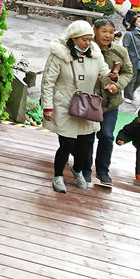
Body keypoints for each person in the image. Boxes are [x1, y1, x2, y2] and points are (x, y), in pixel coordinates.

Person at [41, 20, 111, 193]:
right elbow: (48, 81)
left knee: (85, 144)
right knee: (67, 143)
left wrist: (112, 77)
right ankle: (58, 176)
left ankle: (77, 170)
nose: (88, 43)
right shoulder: (59, 55)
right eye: (84, 40)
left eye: (89, 39)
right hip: (64, 103)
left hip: (87, 105)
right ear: (73, 39)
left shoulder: (95, 53)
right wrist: (47, 107)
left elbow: (104, 72)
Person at [87, 17, 133, 186]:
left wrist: (117, 85)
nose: (108, 35)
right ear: (95, 31)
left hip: (110, 103)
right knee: (87, 137)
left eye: (111, 32)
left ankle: (102, 171)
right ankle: (85, 169)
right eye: (104, 31)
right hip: (89, 101)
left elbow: (128, 72)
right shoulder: (87, 48)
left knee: (106, 136)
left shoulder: (120, 51)